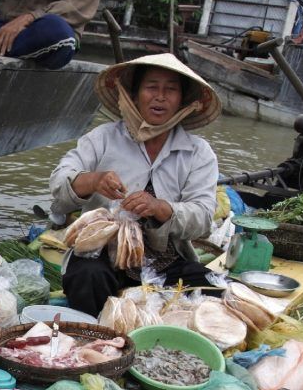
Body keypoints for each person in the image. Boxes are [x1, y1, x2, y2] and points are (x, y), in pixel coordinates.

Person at [49, 53, 223, 317]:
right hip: (102, 254)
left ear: (182, 101)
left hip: (166, 261)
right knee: (86, 278)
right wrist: (93, 180)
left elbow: (202, 218)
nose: (160, 96)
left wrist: (160, 208)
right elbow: (59, 186)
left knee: (215, 293)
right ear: (135, 93)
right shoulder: (103, 138)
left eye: (171, 90)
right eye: (151, 86)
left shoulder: (198, 153)